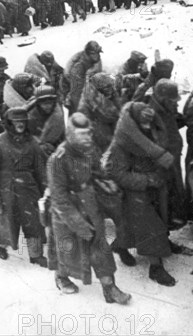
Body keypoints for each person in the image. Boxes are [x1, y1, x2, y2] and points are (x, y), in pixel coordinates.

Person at [47, 113, 131, 304]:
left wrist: (105, 182)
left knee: (100, 246)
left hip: (89, 202)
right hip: (67, 211)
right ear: (70, 134)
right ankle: (61, 276)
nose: (86, 138)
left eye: (88, 134)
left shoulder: (89, 150)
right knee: (68, 250)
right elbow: (59, 199)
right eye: (81, 134)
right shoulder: (57, 159)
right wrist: (80, 226)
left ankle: (110, 288)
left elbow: (95, 171)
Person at [103, 102, 176, 286]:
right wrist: (146, 180)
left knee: (135, 226)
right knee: (151, 227)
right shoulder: (121, 144)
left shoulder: (152, 134)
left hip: (155, 186)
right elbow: (116, 173)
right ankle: (155, 267)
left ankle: (120, 245)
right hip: (133, 191)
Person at [0, 107, 48, 264]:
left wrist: (45, 191)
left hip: (28, 190)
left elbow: (41, 170)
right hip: (6, 190)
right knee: (4, 223)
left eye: (23, 121)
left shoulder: (32, 142)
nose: (20, 124)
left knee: (33, 223)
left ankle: (36, 254)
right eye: (16, 121)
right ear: (9, 123)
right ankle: (0, 246)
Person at [149, 79, 189, 226]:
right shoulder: (151, 115)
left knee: (173, 194)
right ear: (162, 98)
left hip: (173, 159)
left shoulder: (166, 110)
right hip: (163, 165)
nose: (177, 104)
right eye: (173, 101)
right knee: (163, 200)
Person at [77, 73, 122, 153]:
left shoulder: (108, 95)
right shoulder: (86, 105)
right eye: (107, 87)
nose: (111, 89)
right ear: (98, 89)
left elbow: (119, 111)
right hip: (96, 144)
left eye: (111, 86)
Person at [63, 41, 103, 115]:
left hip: (90, 95)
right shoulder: (78, 66)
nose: (98, 55)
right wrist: (80, 110)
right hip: (79, 99)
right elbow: (76, 92)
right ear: (90, 54)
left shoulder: (95, 61)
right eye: (95, 53)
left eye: (98, 53)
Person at [27, 85, 65, 157]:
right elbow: (27, 136)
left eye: (50, 103)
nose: (48, 106)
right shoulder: (31, 116)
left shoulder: (58, 116)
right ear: (38, 104)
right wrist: (40, 144)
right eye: (44, 104)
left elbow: (63, 137)